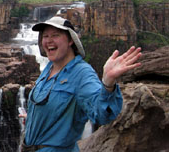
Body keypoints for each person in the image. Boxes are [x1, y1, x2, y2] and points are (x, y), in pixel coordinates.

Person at [19, 16, 142, 152]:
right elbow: (49, 103)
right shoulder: (49, 67)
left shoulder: (81, 73)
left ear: (71, 40)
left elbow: (101, 114)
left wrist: (108, 83)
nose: (49, 40)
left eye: (55, 35)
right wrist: (34, 117)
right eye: (45, 36)